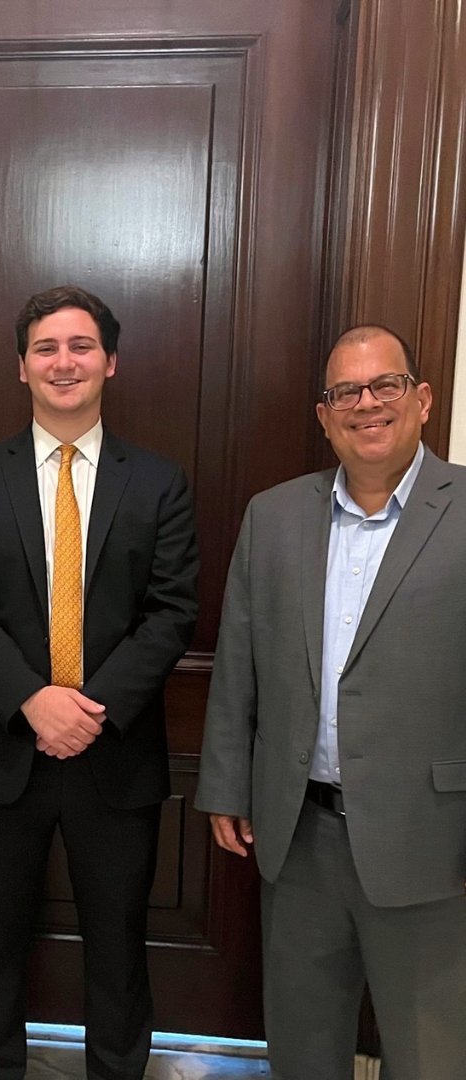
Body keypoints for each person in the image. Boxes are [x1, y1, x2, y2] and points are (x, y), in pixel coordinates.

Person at [0, 285, 199, 1080]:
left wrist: (89, 711)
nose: (64, 362)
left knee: (118, 949)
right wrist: (33, 700)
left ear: (110, 361)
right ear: (22, 368)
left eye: (81, 346)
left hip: (114, 757)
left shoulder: (158, 483)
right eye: (46, 348)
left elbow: (172, 611)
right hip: (3, 753)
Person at [195, 325, 466, 1079]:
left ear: (422, 400)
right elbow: (239, 660)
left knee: (432, 1052)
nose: (365, 405)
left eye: (384, 386)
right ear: (324, 415)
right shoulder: (274, 517)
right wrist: (225, 784)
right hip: (300, 835)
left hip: (433, 840)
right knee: (303, 1046)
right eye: (345, 392)